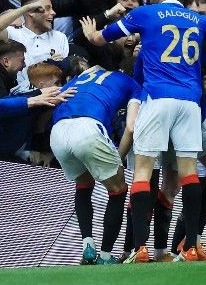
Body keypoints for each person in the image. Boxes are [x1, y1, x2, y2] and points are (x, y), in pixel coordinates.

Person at [80, 0, 206, 263]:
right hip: (190, 102)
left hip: (157, 98)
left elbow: (99, 39)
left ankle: (141, 248)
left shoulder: (145, 14)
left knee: (144, 171)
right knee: (189, 173)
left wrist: (89, 33)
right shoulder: (201, 20)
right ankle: (193, 245)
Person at [50, 62, 142, 265]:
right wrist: (118, 158)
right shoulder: (131, 83)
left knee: (83, 185)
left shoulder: (80, 78)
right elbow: (131, 127)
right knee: (118, 190)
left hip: (57, 131)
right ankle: (106, 256)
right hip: (89, 127)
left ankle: (87, 246)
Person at [0, 0, 70, 93]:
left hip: (54, 94)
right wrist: (25, 8)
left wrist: (59, 64)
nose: (53, 12)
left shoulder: (60, 37)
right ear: (31, 12)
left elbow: (64, 74)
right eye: (47, 8)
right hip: (20, 96)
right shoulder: (14, 33)